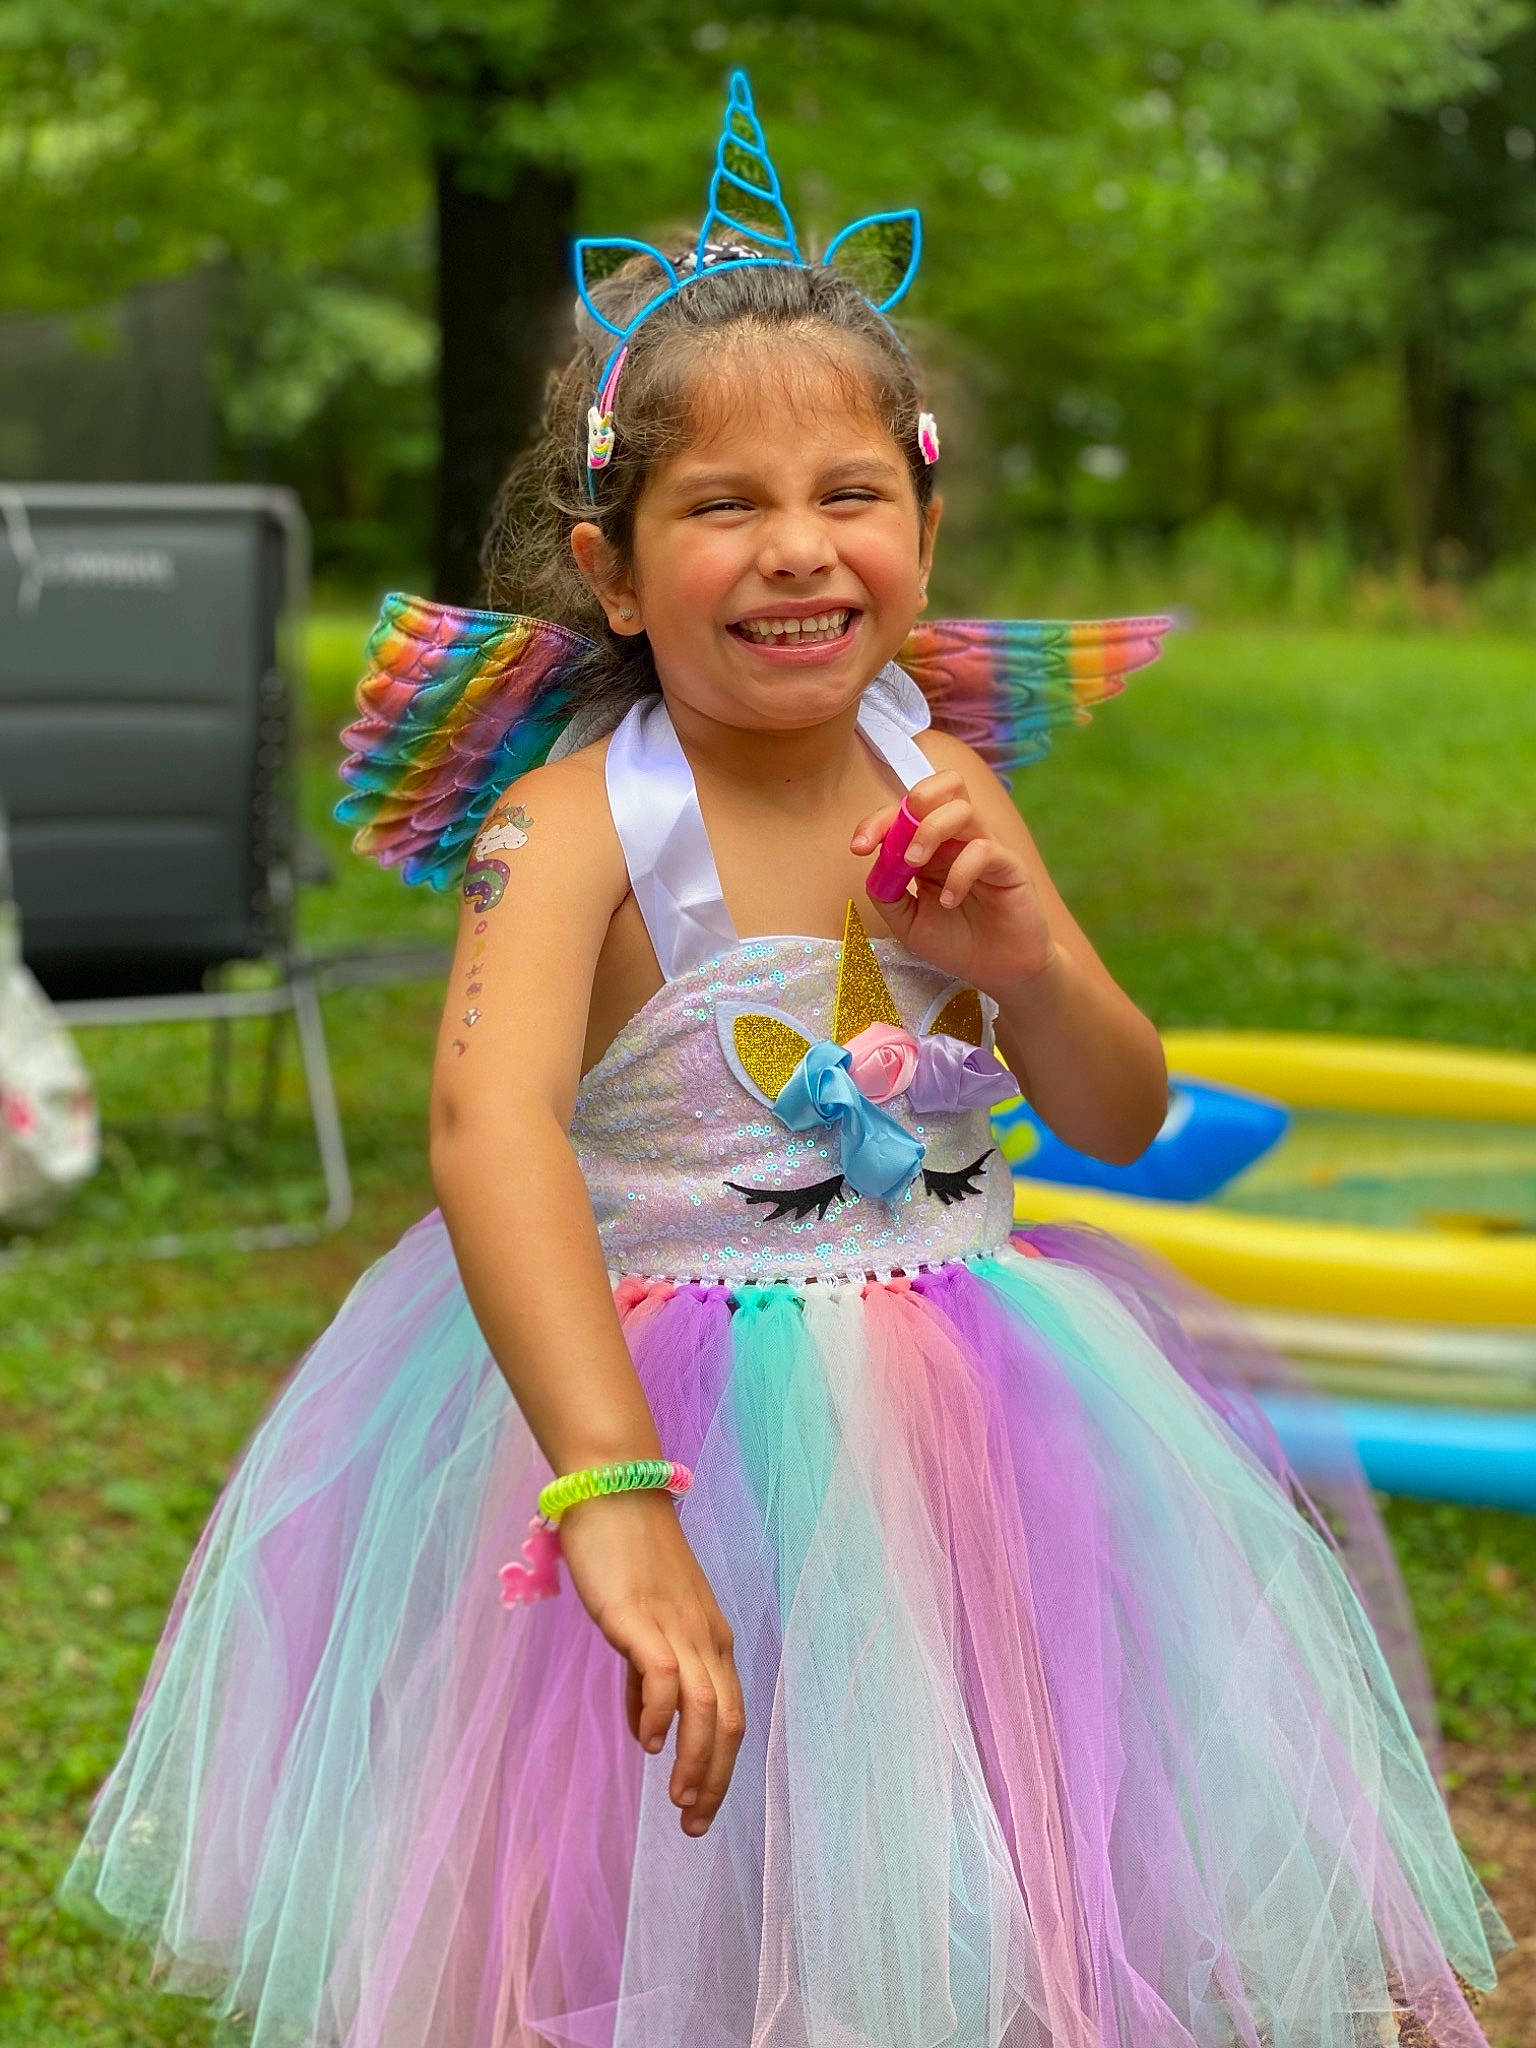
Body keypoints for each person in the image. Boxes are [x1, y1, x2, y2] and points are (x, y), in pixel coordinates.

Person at [63, 72, 1511, 2048]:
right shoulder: (571, 824)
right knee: (671, 1893)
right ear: (610, 559)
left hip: (990, 1441)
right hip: (660, 1406)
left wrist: (1019, 956)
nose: (795, 549)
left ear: (921, 515)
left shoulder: (948, 774)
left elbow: (1120, 1109)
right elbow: (489, 1134)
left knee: (966, 1898)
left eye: (848, 494)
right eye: (721, 506)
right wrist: (612, 1489)